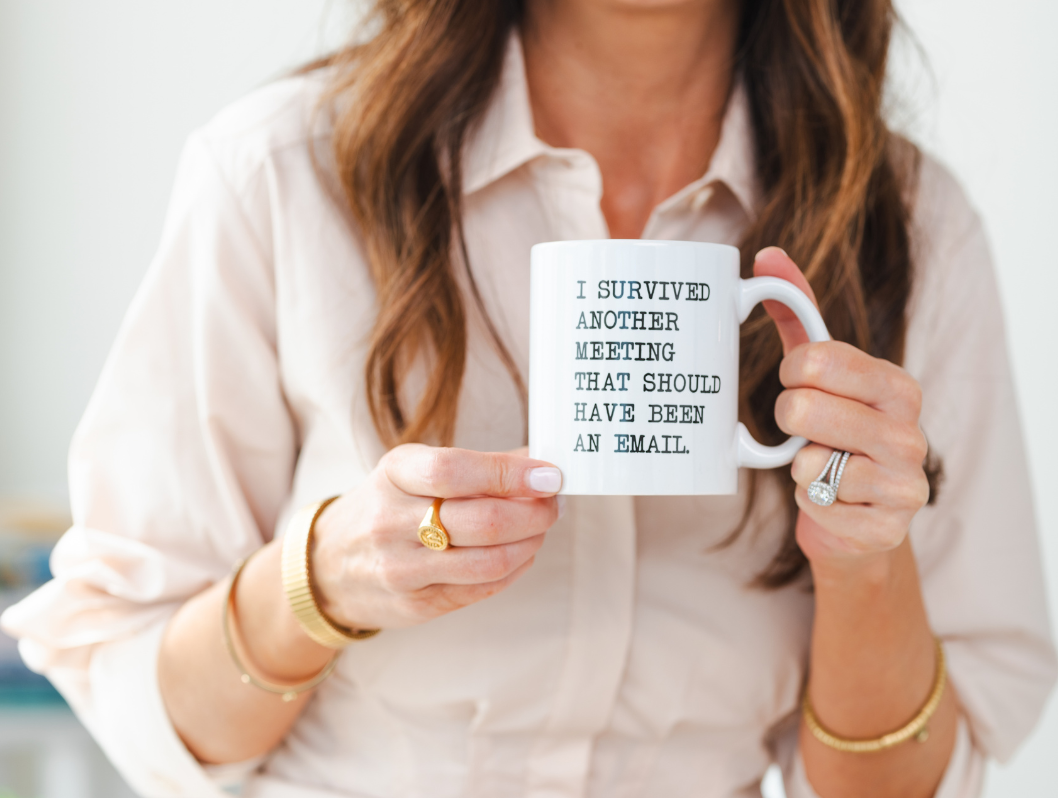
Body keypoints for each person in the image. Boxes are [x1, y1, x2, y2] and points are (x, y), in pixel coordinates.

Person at [3, 0, 1055, 796]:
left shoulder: (907, 228)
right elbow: (144, 702)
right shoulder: (280, 174)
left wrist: (863, 566)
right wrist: (320, 583)